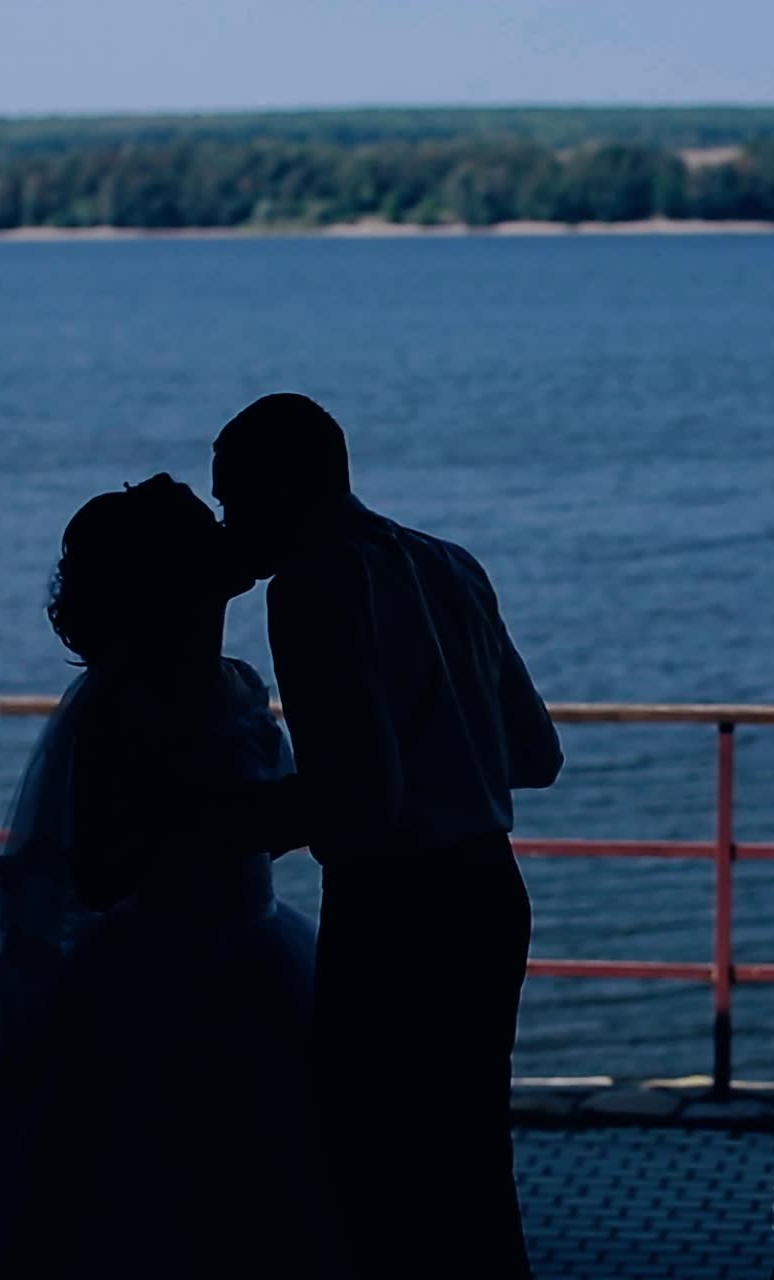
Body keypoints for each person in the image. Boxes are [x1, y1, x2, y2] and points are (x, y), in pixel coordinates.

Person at [0, 475, 335, 1279]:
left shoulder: (235, 682)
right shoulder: (122, 705)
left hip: (240, 945)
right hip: (168, 969)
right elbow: (102, 864)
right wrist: (253, 820)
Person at [212, 393, 563, 1277]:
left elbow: (359, 799)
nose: (229, 523)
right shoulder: (452, 563)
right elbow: (535, 752)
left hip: (394, 908)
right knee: (474, 1161)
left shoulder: (311, 586)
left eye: (237, 498)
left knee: (375, 1172)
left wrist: (214, 821)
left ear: (288, 484)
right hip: (491, 889)